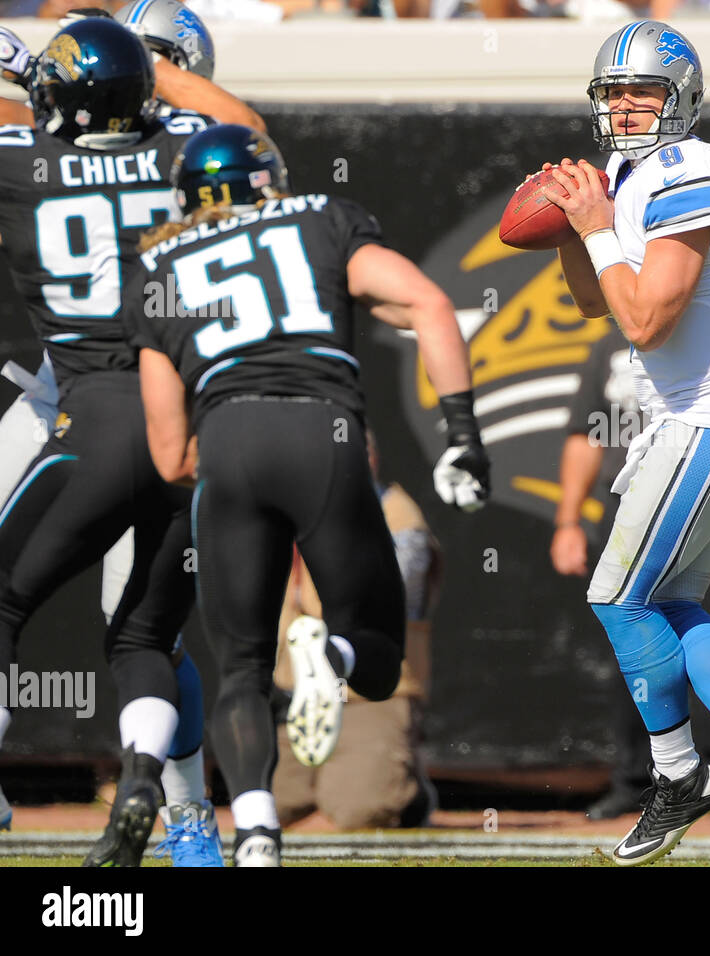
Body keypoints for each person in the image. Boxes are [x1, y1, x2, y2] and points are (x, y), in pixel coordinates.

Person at [127, 124, 489, 865]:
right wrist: (463, 436)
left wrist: (232, 458)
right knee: (380, 657)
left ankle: (256, 832)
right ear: (268, 179)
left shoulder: (157, 265)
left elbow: (169, 455)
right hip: (323, 435)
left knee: (242, 668)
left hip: (225, 439)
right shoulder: (321, 216)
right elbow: (428, 303)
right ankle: (338, 655)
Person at [0, 15, 263, 867]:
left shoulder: (37, 150)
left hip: (102, 401)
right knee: (140, 630)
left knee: (111, 618)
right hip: (136, 400)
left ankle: (188, 817)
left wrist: (39, 71)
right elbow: (243, 129)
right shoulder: (190, 146)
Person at [540, 20, 710, 866]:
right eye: (612, 94)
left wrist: (599, 224)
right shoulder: (634, 173)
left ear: (682, 97)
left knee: (618, 598)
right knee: (676, 602)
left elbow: (648, 320)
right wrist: (579, 223)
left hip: (707, 421)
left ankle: (680, 774)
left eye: (641, 93)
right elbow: (593, 302)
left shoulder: (689, 169)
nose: (624, 109)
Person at [551, 324, 710, 820]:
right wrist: (568, 519)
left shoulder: (701, 321)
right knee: (662, 619)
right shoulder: (619, 340)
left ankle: (693, 774)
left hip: (696, 471)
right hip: (653, 485)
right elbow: (585, 434)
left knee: (632, 608)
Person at [271, 429, 440, 830]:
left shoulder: (399, 517)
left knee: (360, 810)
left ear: (371, 459)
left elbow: (383, 601)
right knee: (271, 806)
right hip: (298, 695)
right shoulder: (288, 516)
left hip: (371, 694)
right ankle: (326, 781)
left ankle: (411, 790)